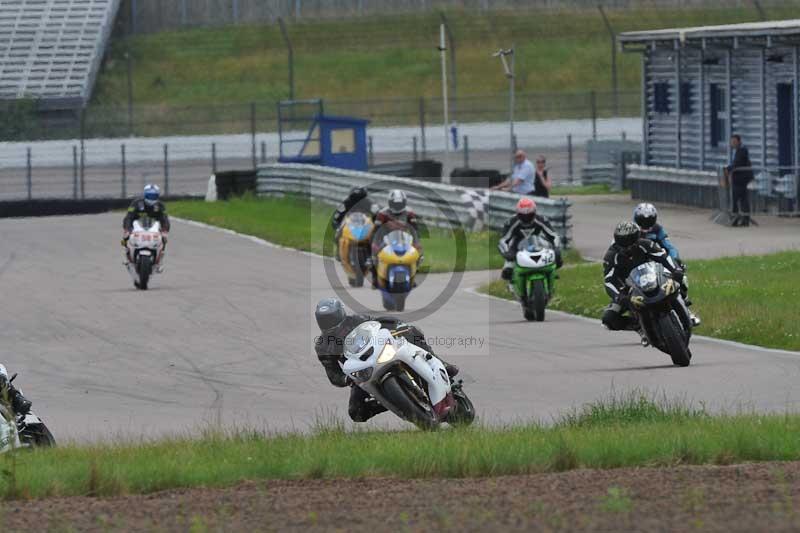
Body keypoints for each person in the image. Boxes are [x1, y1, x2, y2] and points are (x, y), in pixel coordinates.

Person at [314, 298, 459, 423]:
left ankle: (442, 364)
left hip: (381, 353)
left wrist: (398, 326)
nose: (329, 323)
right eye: (324, 320)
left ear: (340, 314)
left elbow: (381, 323)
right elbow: (333, 374)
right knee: (356, 413)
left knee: (412, 333)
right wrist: (347, 379)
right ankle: (391, 402)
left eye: (331, 318)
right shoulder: (323, 346)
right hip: (363, 372)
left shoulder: (357, 320)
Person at [601, 221, 685, 333]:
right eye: (623, 242)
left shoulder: (646, 244)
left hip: (655, 279)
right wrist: (619, 296)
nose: (628, 246)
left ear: (637, 237)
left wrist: (675, 269)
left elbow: (663, 257)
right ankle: (638, 326)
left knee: (681, 279)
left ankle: (685, 309)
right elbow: (609, 281)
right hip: (630, 292)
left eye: (631, 241)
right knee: (608, 319)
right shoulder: (611, 257)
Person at [497, 197, 563, 280]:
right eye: (523, 216)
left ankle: (550, 276)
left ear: (534, 213)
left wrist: (556, 248)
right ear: (518, 214)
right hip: (517, 246)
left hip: (538, 244)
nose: (526, 218)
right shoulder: (511, 222)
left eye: (529, 215)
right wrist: (506, 253)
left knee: (558, 261)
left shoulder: (541, 219)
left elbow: (553, 235)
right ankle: (512, 285)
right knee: (507, 272)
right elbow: (503, 240)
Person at [122, 184, 171, 271]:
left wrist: (165, 230)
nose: (152, 198)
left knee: (164, 239)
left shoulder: (160, 206)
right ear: (145, 195)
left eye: (154, 196)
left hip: (153, 228)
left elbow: (165, 219)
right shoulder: (136, 203)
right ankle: (127, 254)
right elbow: (128, 217)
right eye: (150, 196)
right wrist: (127, 229)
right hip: (137, 227)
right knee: (125, 238)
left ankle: (159, 262)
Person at [331, 186, 379, 258]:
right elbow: (338, 214)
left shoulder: (370, 204)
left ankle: (371, 255)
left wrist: (376, 225)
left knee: (373, 237)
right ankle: (339, 251)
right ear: (351, 197)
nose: (357, 201)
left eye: (360, 199)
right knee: (338, 234)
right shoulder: (346, 203)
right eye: (355, 199)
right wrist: (336, 223)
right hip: (349, 222)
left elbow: (377, 215)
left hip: (364, 223)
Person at [725, 134, 754, 227]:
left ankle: (736, 219)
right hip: (741, 179)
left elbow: (737, 163)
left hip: (741, 179)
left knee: (735, 199)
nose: (732, 143)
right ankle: (744, 219)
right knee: (743, 199)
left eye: (734, 141)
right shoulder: (740, 150)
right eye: (731, 141)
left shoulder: (742, 150)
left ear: (739, 141)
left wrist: (728, 169)